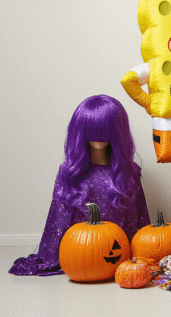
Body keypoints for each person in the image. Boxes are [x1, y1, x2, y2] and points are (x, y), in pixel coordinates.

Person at [9, 95, 150, 276]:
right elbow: (57, 220)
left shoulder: (129, 173)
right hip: (79, 250)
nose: (99, 137)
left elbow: (139, 218)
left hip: (118, 252)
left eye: (106, 130)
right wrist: (51, 254)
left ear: (117, 131)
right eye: (93, 130)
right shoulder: (69, 174)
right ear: (81, 131)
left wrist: (143, 252)